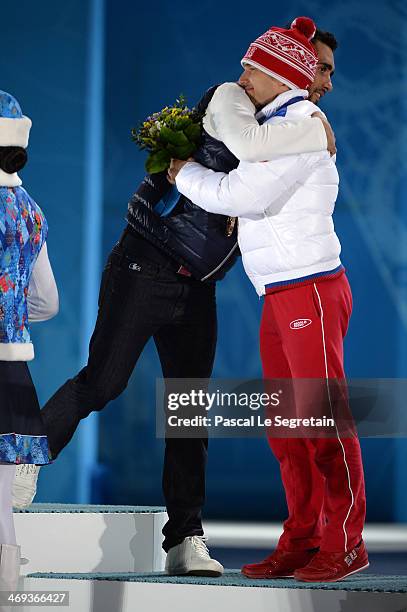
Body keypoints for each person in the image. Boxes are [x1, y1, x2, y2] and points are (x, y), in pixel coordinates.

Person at [12, 26, 333, 577]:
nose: (243, 75)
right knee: (104, 382)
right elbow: (249, 154)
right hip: (147, 265)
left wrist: (309, 132)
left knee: (189, 411)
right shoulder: (232, 100)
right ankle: (21, 458)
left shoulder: (287, 122)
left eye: (324, 72)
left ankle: (186, 539)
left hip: (198, 284)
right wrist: (315, 133)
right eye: (314, 70)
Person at [172, 17, 368, 583]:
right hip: (278, 290)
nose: (243, 79)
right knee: (286, 428)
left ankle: (345, 542)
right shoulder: (269, 124)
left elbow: (245, 197)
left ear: (278, 73)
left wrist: (183, 175)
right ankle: (303, 539)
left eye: (251, 70)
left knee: (323, 419)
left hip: (311, 286)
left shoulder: (303, 123)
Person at [0, 90, 58, 590]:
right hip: (13, 363)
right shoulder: (29, 210)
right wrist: (13, 318)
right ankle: (6, 568)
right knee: (2, 484)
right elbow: (49, 302)